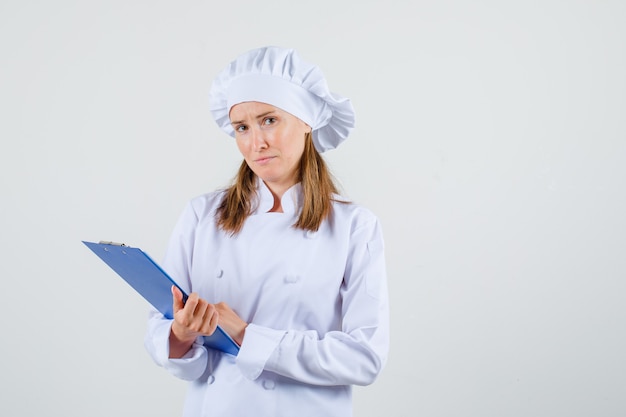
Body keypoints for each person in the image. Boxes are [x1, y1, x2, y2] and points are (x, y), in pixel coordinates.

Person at [144, 46, 389, 417]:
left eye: (269, 120)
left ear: (307, 121)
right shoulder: (201, 215)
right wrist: (181, 333)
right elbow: (159, 333)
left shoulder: (355, 226)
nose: (255, 142)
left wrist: (246, 335)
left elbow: (365, 357)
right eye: (242, 127)